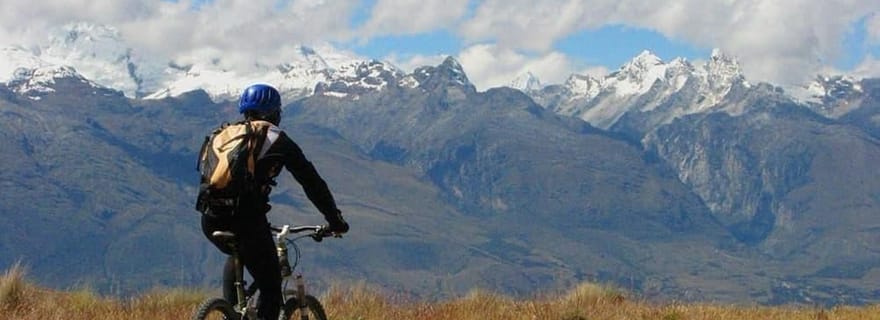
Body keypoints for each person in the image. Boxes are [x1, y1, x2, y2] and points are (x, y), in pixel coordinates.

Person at [199, 83, 349, 320]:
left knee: (238, 251)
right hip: (246, 221)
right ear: (275, 112)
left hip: (210, 218)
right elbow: (311, 183)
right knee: (270, 286)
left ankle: (232, 313)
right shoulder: (277, 139)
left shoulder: (225, 134)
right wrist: (335, 220)